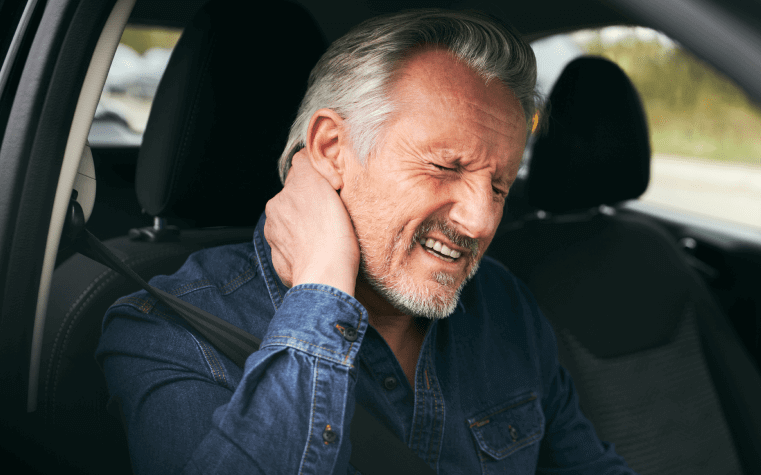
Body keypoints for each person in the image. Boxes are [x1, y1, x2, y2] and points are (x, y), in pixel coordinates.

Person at [96, 9, 635, 474]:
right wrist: (323, 290)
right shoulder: (166, 328)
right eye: (445, 166)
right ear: (331, 150)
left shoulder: (504, 308)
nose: (480, 222)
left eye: (499, 185)